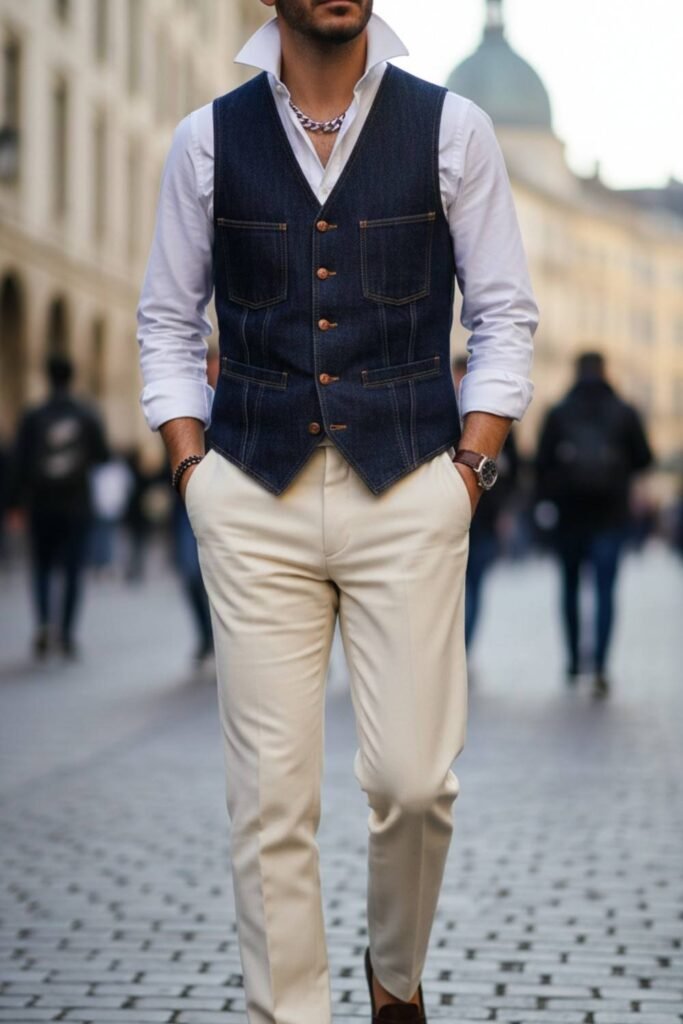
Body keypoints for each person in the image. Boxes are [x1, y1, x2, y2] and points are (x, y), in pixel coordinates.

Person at [136, 3, 538, 1021]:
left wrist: (467, 473)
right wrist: (195, 478)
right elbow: (165, 322)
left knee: (413, 783)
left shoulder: (451, 128)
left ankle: (392, 975)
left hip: (409, 485)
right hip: (252, 489)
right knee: (271, 805)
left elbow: (502, 314)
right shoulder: (205, 139)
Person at [535, 351, 653, 699]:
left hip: (569, 516)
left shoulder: (558, 412)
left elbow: (540, 465)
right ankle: (600, 663)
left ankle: (573, 660)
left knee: (570, 588)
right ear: (605, 371)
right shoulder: (624, 411)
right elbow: (644, 458)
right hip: (611, 516)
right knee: (604, 591)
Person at [6, 352, 110, 659]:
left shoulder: (33, 415)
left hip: (40, 504)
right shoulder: (87, 414)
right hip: (77, 504)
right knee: (73, 570)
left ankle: (41, 625)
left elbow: (18, 463)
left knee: (41, 566)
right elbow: (103, 455)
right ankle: (66, 634)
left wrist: (13, 504)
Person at [452, 356, 520, 652]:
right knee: (458, 588)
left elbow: (514, 470)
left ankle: (461, 648)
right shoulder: (441, 413)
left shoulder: (492, 419)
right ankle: (455, 649)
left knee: (473, 586)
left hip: (483, 515)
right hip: (463, 514)